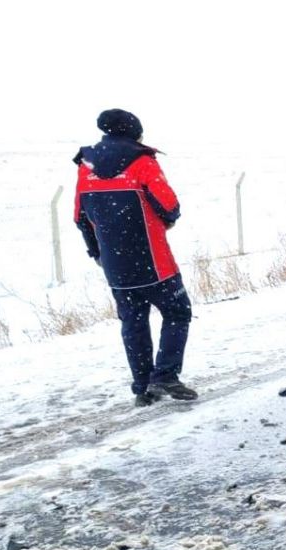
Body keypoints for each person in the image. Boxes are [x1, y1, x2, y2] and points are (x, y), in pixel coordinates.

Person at [74, 109, 197, 407]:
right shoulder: (143, 162)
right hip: (155, 263)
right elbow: (169, 205)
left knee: (133, 322)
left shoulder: (85, 167)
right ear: (134, 133)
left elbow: (80, 217)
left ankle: (143, 386)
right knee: (178, 311)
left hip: (115, 268)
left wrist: (98, 253)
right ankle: (165, 374)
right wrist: (167, 219)